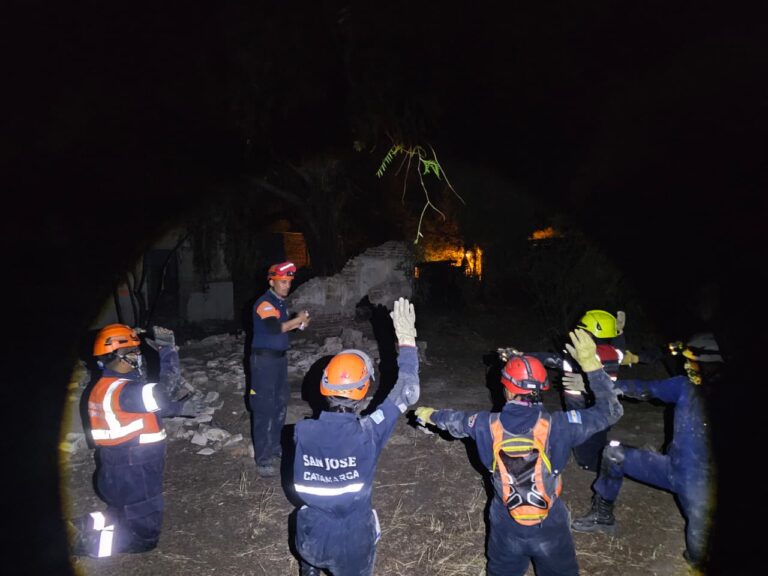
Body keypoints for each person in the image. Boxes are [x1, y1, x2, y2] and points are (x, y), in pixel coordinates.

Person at [414, 329, 623, 576]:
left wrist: (429, 414)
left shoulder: (483, 423)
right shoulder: (562, 424)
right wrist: (591, 366)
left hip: (506, 521)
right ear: (542, 388)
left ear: (507, 390)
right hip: (550, 521)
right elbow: (611, 411)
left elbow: (452, 420)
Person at [571, 332, 723, 571]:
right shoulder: (685, 386)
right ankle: (602, 516)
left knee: (697, 556)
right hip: (671, 467)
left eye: (692, 362)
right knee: (613, 454)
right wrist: (596, 383)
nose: (686, 365)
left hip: (702, 486)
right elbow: (643, 388)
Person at [292, 297, 419, 576]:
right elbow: (407, 391)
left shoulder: (301, 431)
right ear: (363, 391)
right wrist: (407, 342)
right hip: (351, 544)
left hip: (311, 537)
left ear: (324, 386)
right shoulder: (368, 432)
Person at [68, 324, 204, 558]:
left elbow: (141, 407)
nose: (138, 358)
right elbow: (166, 389)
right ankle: (80, 544)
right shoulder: (127, 391)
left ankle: (74, 526)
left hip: (115, 471)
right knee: (144, 538)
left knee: (121, 513)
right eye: (132, 353)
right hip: (135, 474)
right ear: (115, 357)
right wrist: (168, 351)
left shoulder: (103, 387)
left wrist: (180, 409)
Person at [248, 261, 311, 478]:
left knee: (280, 405)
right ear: (271, 281)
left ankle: (275, 448)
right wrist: (297, 320)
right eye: (282, 282)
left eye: (289, 282)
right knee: (264, 408)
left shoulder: (280, 303)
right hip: (263, 362)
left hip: (279, 361)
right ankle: (263, 458)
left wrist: (299, 324)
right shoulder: (264, 303)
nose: (286, 286)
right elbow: (275, 328)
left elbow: (284, 328)